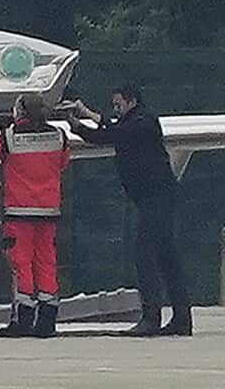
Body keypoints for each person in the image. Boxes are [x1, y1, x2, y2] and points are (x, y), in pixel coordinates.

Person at [68, 86, 192, 336]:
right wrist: (79, 124)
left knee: (145, 255)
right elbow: (109, 133)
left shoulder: (144, 122)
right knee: (167, 257)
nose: (116, 110)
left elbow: (114, 133)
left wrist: (86, 118)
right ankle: (181, 318)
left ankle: (151, 317)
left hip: (157, 198)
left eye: (118, 105)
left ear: (132, 101)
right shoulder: (131, 123)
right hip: (152, 198)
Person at [0, 94, 69, 337]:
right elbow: (62, 164)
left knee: (21, 264)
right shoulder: (59, 136)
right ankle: (47, 319)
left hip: (19, 211)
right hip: (49, 211)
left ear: (19, 111)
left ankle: (23, 318)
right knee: (46, 262)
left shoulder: (10, 137)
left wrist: (5, 130)